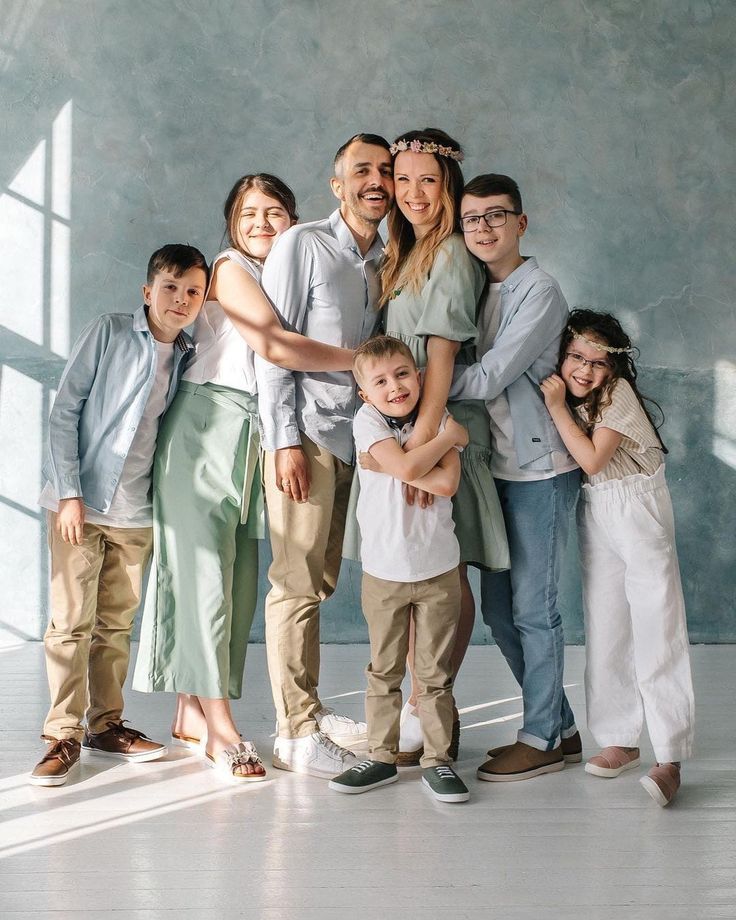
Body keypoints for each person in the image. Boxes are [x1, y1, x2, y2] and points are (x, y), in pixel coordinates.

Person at [133, 175, 356, 784]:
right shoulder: (229, 268)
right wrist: (363, 360)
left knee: (234, 581)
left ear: (292, 218)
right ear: (231, 222)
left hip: (252, 433)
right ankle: (222, 729)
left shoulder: (288, 273)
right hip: (203, 424)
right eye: (249, 212)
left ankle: (190, 711)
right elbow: (278, 348)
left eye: (274, 211)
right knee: (202, 578)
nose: (262, 221)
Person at [30, 244, 208, 787]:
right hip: (81, 505)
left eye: (193, 292)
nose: (180, 300)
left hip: (138, 511)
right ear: (147, 290)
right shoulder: (108, 332)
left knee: (116, 624)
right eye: (170, 287)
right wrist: (68, 493)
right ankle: (61, 734)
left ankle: (105, 725)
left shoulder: (188, 354)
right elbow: (65, 413)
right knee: (70, 624)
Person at [255, 134, 394, 778]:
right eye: (361, 170)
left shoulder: (387, 258)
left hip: (356, 439)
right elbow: (274, 345)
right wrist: (282, 438)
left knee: (323, 578)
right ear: (337, 184)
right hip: (306, 434)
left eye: (386, 171)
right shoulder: (301, 244)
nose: (376, 180)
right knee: (297, 582)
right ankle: (296, 733)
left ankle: (306, 708)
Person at [378, 129, 509, 765]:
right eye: (403, 180)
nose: (413, 193)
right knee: (414, 569)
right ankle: (419, 712)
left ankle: (428, 713)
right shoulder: (405, 254)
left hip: (442, 427)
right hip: (413, 431)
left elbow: (440, 355)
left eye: (427, 180)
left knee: (441, 576)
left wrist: (422, 446)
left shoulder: (452, 253)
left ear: (449, 185)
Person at [451, 174, 581, 782]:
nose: (482, 228)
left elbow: (488, 377)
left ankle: (541, 736)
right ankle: (560, 723)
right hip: (491, 469)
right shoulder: (473, 284)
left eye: (495, 216)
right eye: (472, 218)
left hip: (539, 468)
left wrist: (407, 385)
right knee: (500, 613)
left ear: (521, 223)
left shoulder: (540, 291)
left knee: (534, 609)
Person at [541, 309, 695, 806]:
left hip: (639, 509)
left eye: (597, 363)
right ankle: (619, 737)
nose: (584, 370)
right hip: (599, 508)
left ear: (614, 370)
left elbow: (591, 458)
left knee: (656, 624)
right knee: (607, 625)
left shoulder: (617, 397)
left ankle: (669, 753)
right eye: (576, 358)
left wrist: (557, 406)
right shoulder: (579, 393)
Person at [329, 336, 470, 803]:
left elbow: (447, 483)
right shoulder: (367, 421)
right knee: (383, 670)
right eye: (381, 381)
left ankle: (437, 759)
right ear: (365, 393)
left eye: (403, 374)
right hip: (385, 571)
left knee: (432, 674)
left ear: (420, 375)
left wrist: (407, 462)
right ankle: (382, 756)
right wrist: (446, 441)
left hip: (438, 570)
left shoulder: (438, 416)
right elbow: (410, 467)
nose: (395, 386)